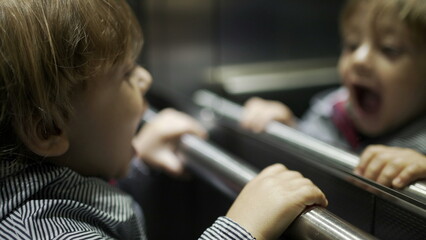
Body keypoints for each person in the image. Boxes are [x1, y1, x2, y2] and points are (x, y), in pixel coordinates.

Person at [0, 1, 327, 239]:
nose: (145, 78)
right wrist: (242, 228)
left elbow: (82, 199)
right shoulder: (42, 231)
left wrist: (137, 162)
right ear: (48, 128)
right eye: (126, 74)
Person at [240, 0, 426, 189]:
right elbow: (311, 152)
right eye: (352, 45)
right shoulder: (332, 111)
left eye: (389, 49)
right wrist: (287, 127)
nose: (359, 59)